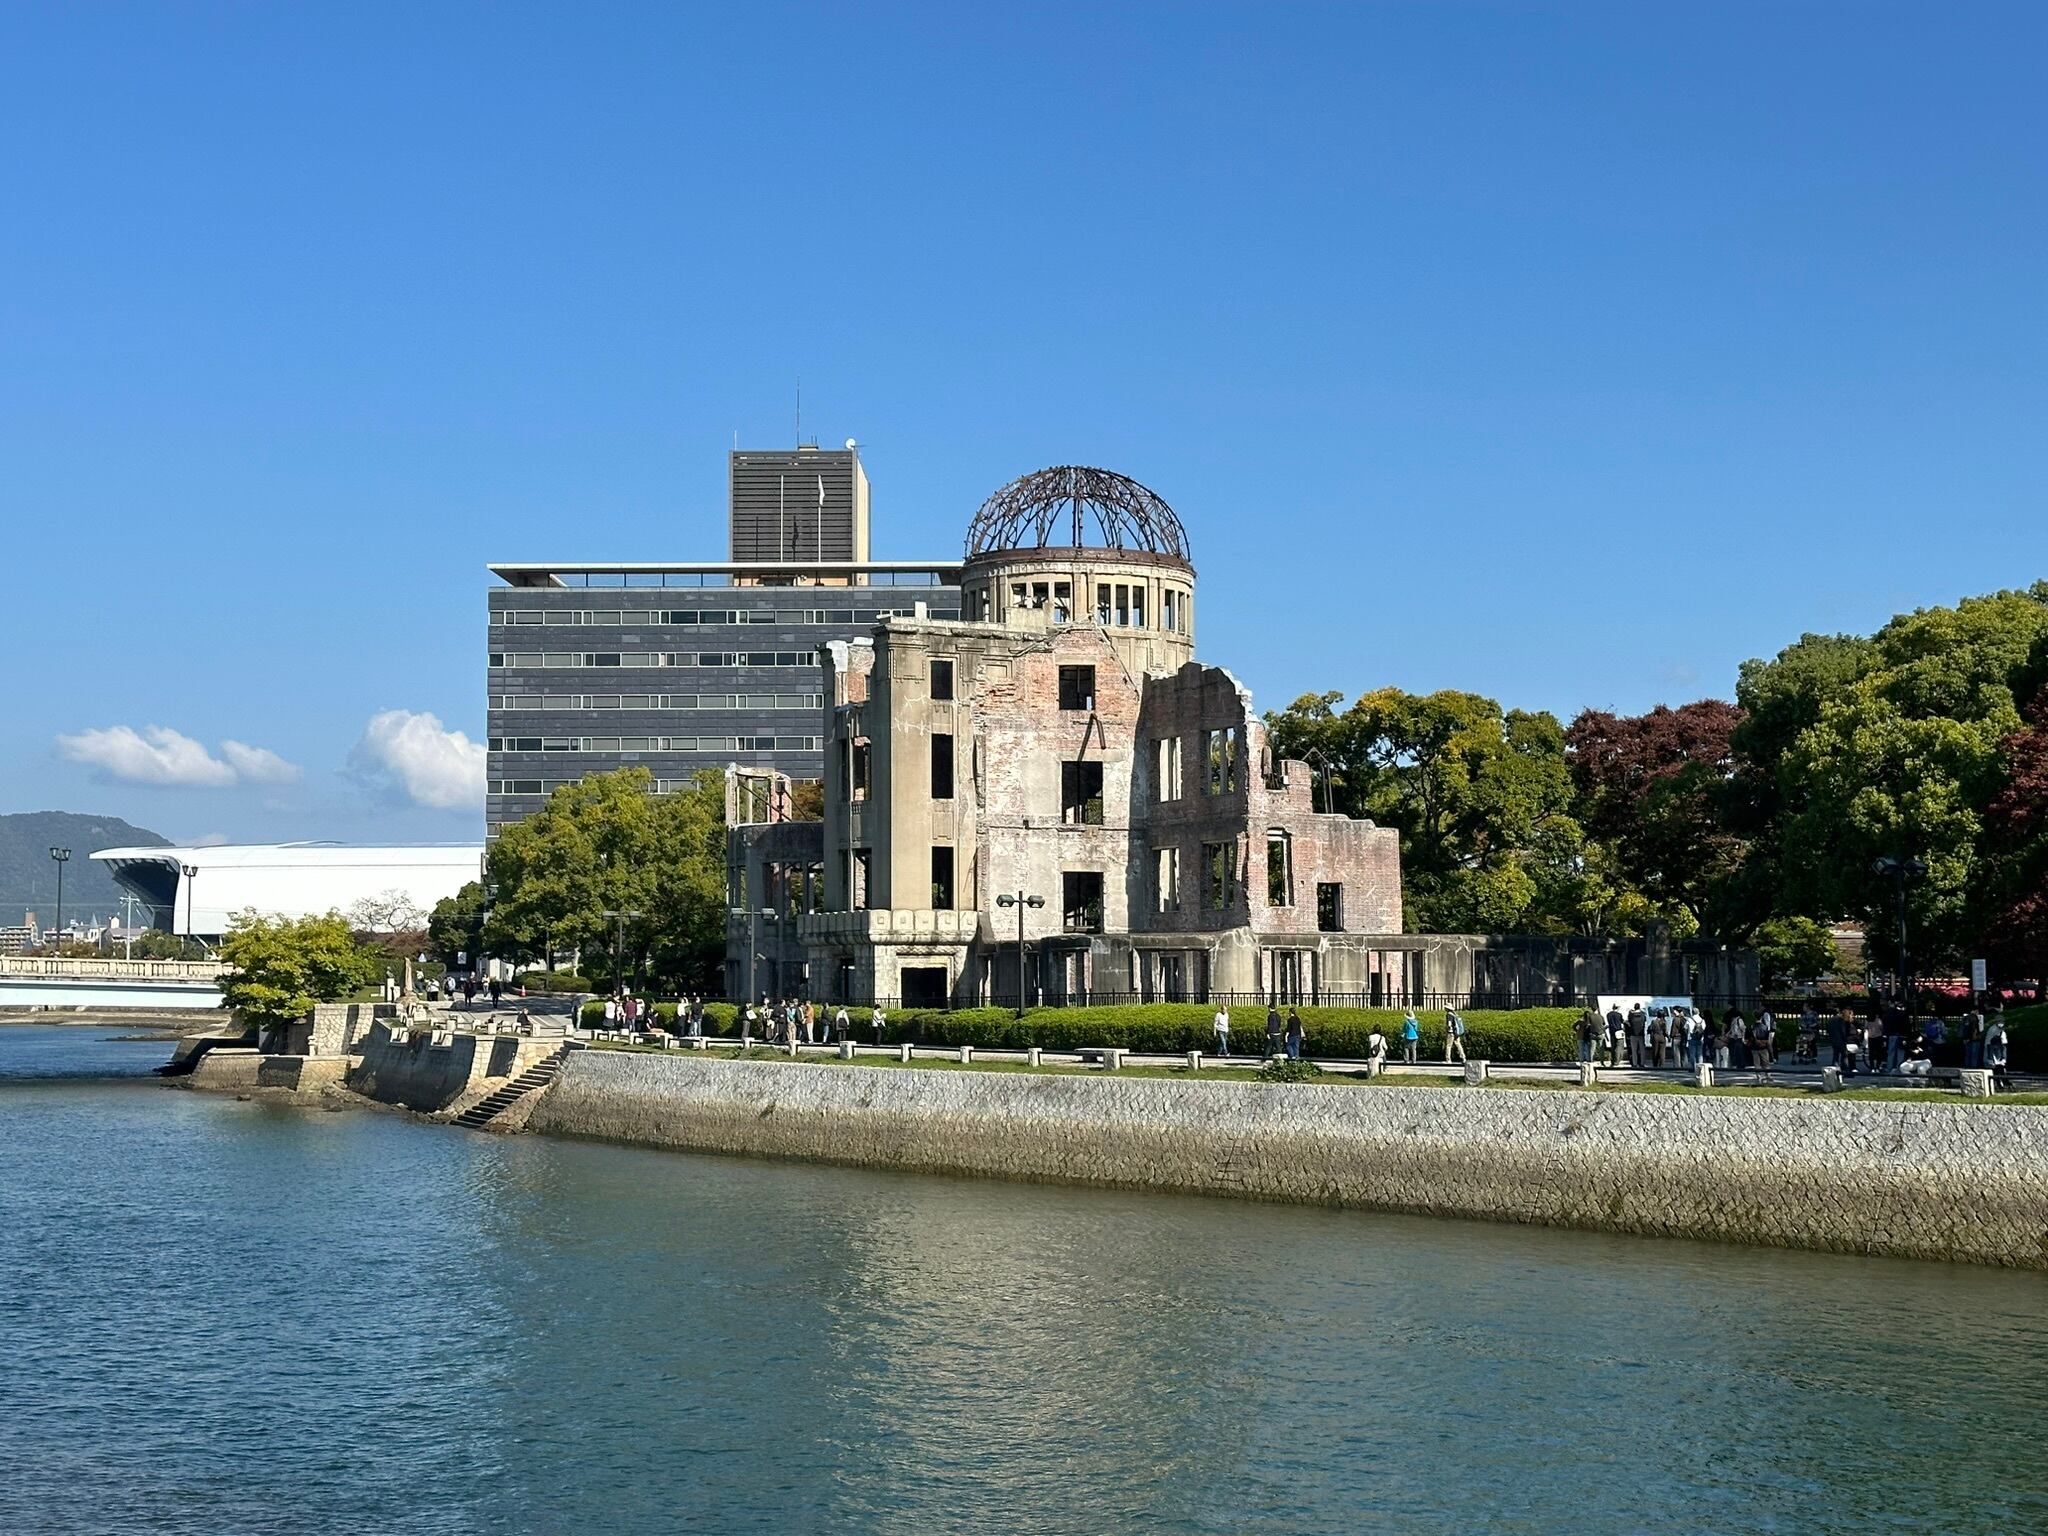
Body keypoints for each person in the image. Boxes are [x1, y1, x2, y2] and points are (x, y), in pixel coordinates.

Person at [1986, 1008, 2010, 1090]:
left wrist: (2004, 1057)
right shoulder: (1992, 1030)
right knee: (1995, 1068)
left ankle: (2003, 1082)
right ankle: (1999, 1083)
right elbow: (1989, 1044)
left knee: (2001, 1067)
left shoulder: (2001, 1031)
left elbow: (2004, 1045)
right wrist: (1990, 1058)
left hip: (1998, 1050)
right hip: (1993, 1051)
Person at [1624, 1003, 1647, 1069]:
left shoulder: (1631, 1015)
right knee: (1642, 1050)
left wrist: (1631, 1012)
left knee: (1634, 1050)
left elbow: (1628, 1021)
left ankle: (1635, 1063)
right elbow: (1644, 1021)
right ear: (1639, 1007)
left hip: (1633, 1034)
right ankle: (1642, 1063)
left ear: (1634, 1007)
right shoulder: (1643, 1014)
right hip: (1641, 1034)